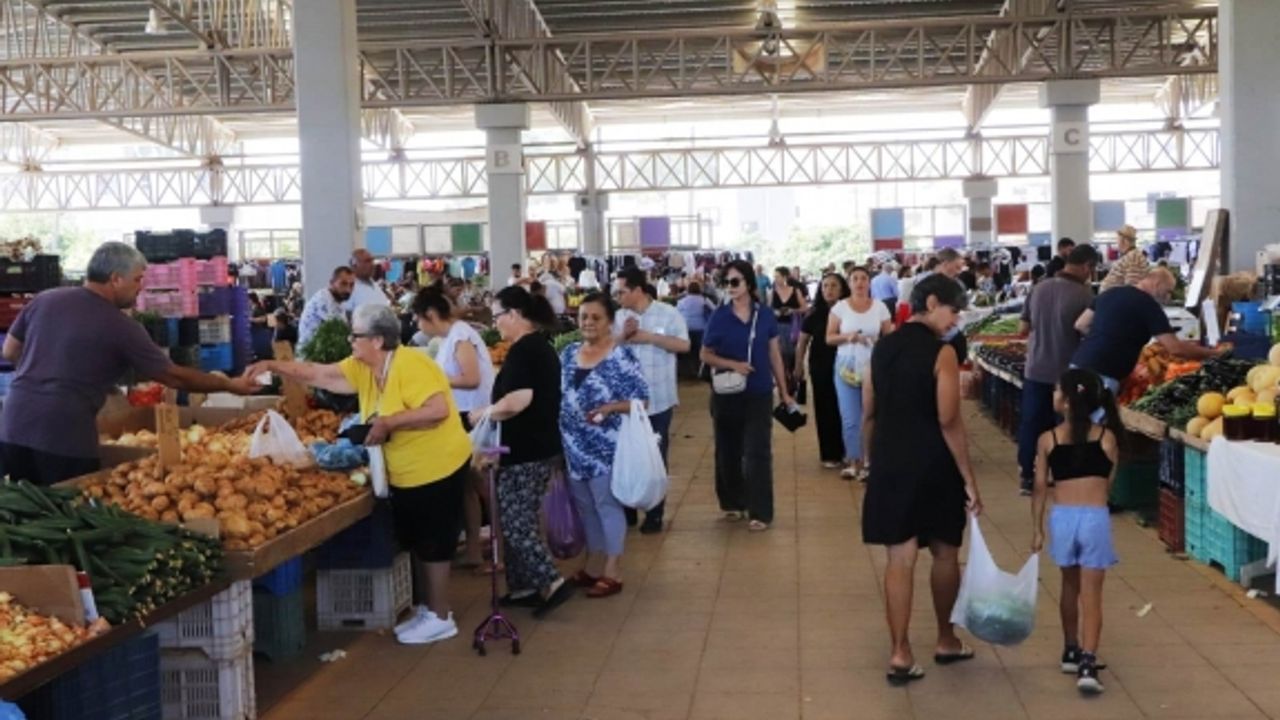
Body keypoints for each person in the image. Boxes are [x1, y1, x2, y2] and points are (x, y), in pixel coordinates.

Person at [246, 304, 472, 646]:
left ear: (378, 340)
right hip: (407, 469)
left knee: (435, 543)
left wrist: (387, 422)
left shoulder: (412, 364)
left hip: (437, 465)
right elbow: (319, 374)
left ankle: (442, 616)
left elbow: (438, 410)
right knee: (420, 541)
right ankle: (430, 609)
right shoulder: (365, 367)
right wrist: (272, 365)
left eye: (356, 335)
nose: (350, 340)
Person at [0, 243, 258, 485]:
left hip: (12, 425)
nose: (141, 287)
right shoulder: (121, 326)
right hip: (64, 434)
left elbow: (10, 350)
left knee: (20, 518)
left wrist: (47, 372)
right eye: (137, 279)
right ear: (115, 279)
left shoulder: (45, 300)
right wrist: (230, 385)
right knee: (67, 514)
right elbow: (174, 377)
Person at [861, 274, 983, 686]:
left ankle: (900, 650)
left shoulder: (882, 348)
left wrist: (869, 457)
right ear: (932, 302)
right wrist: (969, 478)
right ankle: (946, 639)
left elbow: (870, 409)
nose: (955, 321)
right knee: (945, 552)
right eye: (953, 311)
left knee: (900, 556)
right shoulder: (942, 353)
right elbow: (948, 419)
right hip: (933, 461)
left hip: (891, 459)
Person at [467, 287, 574, 617]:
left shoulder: (527, 351)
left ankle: (552, 581)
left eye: (498, 316)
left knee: (516, 522)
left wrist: (479, 415)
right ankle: (524, 586)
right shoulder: (531, 347)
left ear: (514, 314)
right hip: (526, 446)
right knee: (511, 517)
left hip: (530, 449)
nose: (495, 323)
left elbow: (519, 401)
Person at [1031, 368, 1122, 695]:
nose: (1053, 396)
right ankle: (1088, 660)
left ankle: (1070, 648)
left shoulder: (1048, 439)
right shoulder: (1107, 439)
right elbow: (1109, 484)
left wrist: (1037, 530)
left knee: (1069, 587)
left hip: (1062, 519)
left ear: (1067, 401)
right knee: (1092, 594)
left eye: (1057, 391)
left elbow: (1040, 488)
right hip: (1095, 518)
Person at [560, 293, 650, 598]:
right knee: (585, 506)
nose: (588, 323)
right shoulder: (569, 353)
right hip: (573, 444)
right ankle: (594, 561)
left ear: (610, 322)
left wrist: (610, 408)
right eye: (583, 316)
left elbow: (642, 400)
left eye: (595, 317)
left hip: (606, 446)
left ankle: (613, 569)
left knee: (606, 504)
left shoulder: (621, 357)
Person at [701, 261, 795, 532]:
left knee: (757, 451)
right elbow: (705, 354)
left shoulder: (764, 315)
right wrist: (733, 365)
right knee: (728, 450)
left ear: (749, 284)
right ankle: (732, 501)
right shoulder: (719, 316)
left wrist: (784, 391)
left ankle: (760, 511)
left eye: (735, 282)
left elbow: (774, 353)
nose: (730, 287)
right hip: (726, 392)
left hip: (758, 392)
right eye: (727, 282)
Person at [411, 286, 496, 569]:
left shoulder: (460, 335)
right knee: (468, 488)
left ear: (431, 315)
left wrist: (434, 380)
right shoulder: (451, 336)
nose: (417, 325)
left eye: (418, 318)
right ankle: (474, 550)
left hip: (473, 418)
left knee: (481, 485)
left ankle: (502, 548)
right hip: (462, 417)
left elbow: (471, 378)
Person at [1016, 245, 1099, 495]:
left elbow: (1022, 328)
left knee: (1032, 422)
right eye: (1092, 271)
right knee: (1065, 425)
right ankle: (1062, 475)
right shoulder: (1085, 296)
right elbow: (1089, 332)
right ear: (1086, 266)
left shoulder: (1038, 288)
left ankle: (1027, 476)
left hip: (1035, 369)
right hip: (1067, 373)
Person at [615, 268, 690, 534]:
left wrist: (651, 338)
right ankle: (628, 508)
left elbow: (684, 346)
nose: (618, 296)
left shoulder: (667, 313)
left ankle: (655, 513)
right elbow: (604, 351)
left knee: (655, 456)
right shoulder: (619, 317)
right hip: (626, 403)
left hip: (659, 399)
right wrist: (623, 336)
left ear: (637, 290)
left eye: (622, 291)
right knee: (627, 454)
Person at [1072, 268, 1222, 394]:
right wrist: (1213, 354)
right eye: (1168, 291)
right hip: (1103, 376)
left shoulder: (1110, 293)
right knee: (1094, 426)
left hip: (1076, 367)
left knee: (1072, 421)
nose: (1168, 297)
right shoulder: (1149, 305)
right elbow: (1175, 349)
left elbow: (1080, 324)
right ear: (1157, 284)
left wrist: (1107, 337)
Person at [826, 267, 893, 480]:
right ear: (850, 283)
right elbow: (829, 338)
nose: (860, 282)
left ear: (869, 282)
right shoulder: (840, 308)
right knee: (850, 417)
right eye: (855, 279)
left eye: (863, 278)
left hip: (872, 367)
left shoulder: (880, 307)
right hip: (845, 367)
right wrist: (848, 337)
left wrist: (877, 343)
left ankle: (868, 462)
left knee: (870, 415)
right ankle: (852, 460)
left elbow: (889, 338)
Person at [795, 273, 849, 469]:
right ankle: (829, 453)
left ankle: (848, 451)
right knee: (824, 407)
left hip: (846, 365)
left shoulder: (849, 311)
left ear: (842, 289)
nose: (829, 290)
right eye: (825, 286)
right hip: (820, 365)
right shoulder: (814, 314)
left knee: (845, 408)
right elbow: (802, 342)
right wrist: (798, 365)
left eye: (834, 286)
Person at [298, 267, 355, 352]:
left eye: (351, 285)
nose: (348, 290)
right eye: (343, 284)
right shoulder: (323, 300)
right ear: (331, 283)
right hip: (311, 358)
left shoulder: (337, 303)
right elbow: (342, 333)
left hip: (324, 354)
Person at [770, 267, 809, 382]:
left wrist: (793, 310)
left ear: (785, 277)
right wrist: (775, 312)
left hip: (794, 327)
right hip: (777, 328)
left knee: (793, 354)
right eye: (775, 277)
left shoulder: (795, 290)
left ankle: (794, 380)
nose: (776, 279)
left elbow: (805, 308)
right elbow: (768, 310)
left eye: (778, 276)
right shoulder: (772, 292)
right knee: (780, 357)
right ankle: (785, 386)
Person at [676, 281, 716, 379]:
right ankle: (700, 372)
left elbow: (676, 314)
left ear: (688, 290)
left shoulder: (682, 301)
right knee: (700, 352)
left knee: (687, 353)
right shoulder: (704, 300)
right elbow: (715, 310)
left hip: (686, 329)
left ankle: (687, 372)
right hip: (701, 330)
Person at [1099, 225, 1148, 292]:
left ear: (1123, 240)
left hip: (1116, 300)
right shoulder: (1132, 255)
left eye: (1117, 239)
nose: (1117, 243)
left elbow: (1132, 287)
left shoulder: (1133, 258)